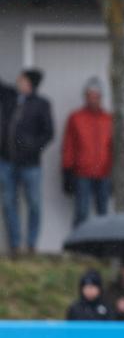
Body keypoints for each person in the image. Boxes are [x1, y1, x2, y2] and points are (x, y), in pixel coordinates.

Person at [0, 68, 53, 254]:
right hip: (7, 162)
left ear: (30, 83)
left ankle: (31, 244)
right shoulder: (10, 98)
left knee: (34, 204)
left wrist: (33, 149)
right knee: (8, 203)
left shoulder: (41, 104)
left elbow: (48, 133)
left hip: (30, 165)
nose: (18, 81)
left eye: (22, 79)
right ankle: (15, 244)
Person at [62, 77, 113, 226]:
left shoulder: (108, 119)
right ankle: (77, 247)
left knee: (103, 213)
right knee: (81, 212)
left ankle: (103, 246)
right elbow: (69, 145)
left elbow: (113, 148)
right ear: (85, 96)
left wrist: (114, 173)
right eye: (90, 96)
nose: (93, 100)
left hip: (104, 173)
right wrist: (67, 170)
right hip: (82, 172)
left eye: (96, 96)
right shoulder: (76, 118)